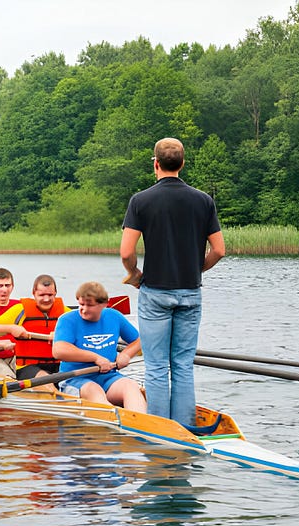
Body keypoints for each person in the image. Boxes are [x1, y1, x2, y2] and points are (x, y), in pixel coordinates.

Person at [120, 137, 226, 425]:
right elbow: (219, 250)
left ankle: (160, 429)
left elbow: (127, 252)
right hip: (190, 293)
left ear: (155, 164)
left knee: (156, 366)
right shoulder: (204, 200)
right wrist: (195, 269)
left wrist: (136, 276)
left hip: (154, 292)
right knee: (182, 365)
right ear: (182, 163)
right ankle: (185, 427)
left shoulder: (140, 200)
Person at [52, 281, 145, 411]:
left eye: (89, 305)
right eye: (81, 304)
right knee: (94, 390)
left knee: (130, 386)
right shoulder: (67, 319)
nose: (83, 309)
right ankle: (117, 420)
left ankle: (140, 425)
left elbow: (139, 340)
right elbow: (59, 351)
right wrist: (96, 358)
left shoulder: (114, 316)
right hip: (75, 379)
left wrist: (126, 354)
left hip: (109, 377)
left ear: (103, 304)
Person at [0, 274, 65, 381]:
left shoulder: (65, 313)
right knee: (44, 378)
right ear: (34, 293)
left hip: (59, 366)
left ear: (55, 293)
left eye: (50, 295)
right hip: (27, 367)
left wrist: (62, 335)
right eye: (42, 295)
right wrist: (11, 328)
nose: (46, 299)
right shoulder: (20, 310)